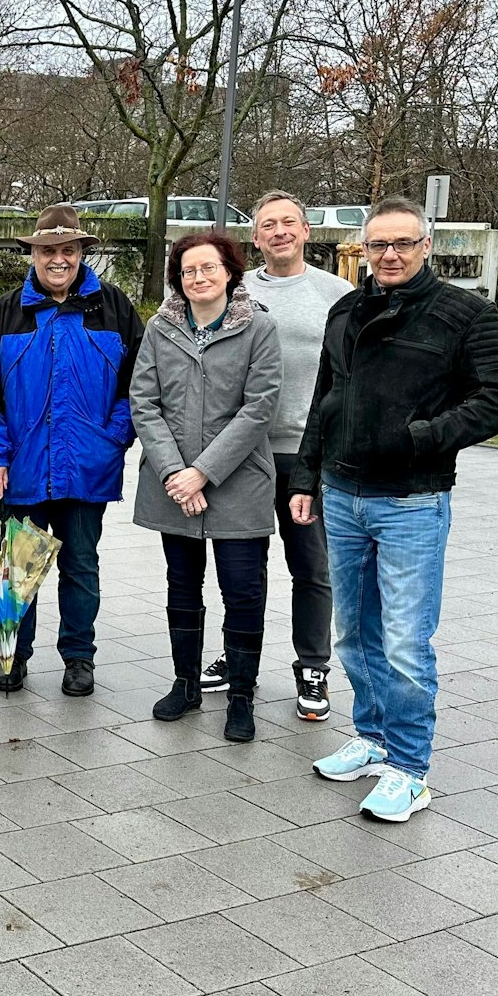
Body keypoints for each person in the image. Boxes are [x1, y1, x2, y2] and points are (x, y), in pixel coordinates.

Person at [291, 195, 498, 822]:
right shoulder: (346, 309)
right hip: (342, 494)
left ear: (426, 246)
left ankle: (410, 770)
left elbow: (494, 402)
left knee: (406, 643)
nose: (390, 255)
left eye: (403, 243)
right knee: (354, 633)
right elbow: (325, 399)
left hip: (412, 499)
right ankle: (372, 738)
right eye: (378, 244)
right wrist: (306, 474)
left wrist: (421, 437)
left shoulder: (465, 315)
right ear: (364, 249)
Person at [0, 204, 144, 697]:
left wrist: (114, 437)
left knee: (81, 566)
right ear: (34, 254)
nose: (58, 259)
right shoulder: (4, 313)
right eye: (48, 250)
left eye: (68, 249)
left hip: (88, 465)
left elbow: (138, 384)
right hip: (22, 468)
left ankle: (79, 658)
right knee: (16, 570)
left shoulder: (114, 307)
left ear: (82, 252)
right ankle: (12, 655)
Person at [130, 232, 282, 742]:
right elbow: (144, 403)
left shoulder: (259, 327)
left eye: (208, 267)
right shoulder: (161, 328)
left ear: (230, 271)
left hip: (239, 483)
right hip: (173, 486)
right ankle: (186, 683)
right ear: (178, 278)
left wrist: (203, 472)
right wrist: (176, 473)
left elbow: (259, 408)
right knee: (181, 585)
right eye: (188, 270)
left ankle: (241, 695)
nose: (199, 277)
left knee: (243, 590)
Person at [222, 190, 352, 721]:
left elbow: (352, 373)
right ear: (255, 237)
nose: (279, 232)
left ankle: (313, 666)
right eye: (268, 225)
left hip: (308, 454)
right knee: (242, 567)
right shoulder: (235, 291)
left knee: (311, 567)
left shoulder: (337, 293)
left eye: (288, 223)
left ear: (305, 231)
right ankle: (238, 658)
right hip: (244, 453)